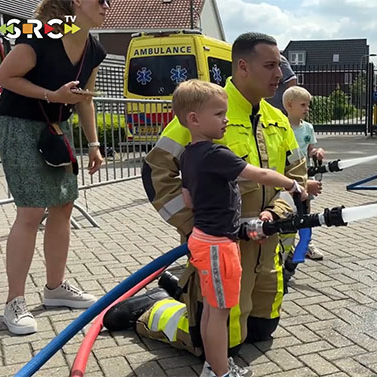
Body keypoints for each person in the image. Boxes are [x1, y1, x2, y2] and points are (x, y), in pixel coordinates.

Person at [138, 32, 307, 357]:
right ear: (243, 67)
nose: (279, 75)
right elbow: (156, 172)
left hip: (266, 252)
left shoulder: (278, 121)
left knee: (260, 332)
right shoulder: (207, 111)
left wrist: (275, 214)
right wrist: (193, 226)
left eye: (279, 66)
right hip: (223, 252)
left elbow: (296, 175)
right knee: (217, 344)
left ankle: (184, 301)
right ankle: (152, 313)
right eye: (270, 65)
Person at [176, 80, 306, 377]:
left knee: (211, 309)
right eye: (219, 114)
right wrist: (290, 183)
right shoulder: (215, 154)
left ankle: (215, 365)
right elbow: (257, 173)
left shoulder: (188, 155)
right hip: (219, 246)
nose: (226, 120)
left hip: (202, 240)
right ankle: (221, 372)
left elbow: (188, 198)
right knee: (218, 314)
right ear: (194, 119)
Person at [0, 0, 108, 335]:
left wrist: (94, 144)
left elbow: (85, 97)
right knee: (31, 211)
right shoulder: (42, 35)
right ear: (75, 2)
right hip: (19, 126)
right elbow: (5, 76)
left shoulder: (94, 49)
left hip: (57, 129)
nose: (107, 5)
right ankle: (14, 301)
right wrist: (50, 95)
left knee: (63, 205)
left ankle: (55, 288)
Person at [280, 85, 324, 264]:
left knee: (306, 211)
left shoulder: (308, 128)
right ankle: (286, 247)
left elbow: (310, 149)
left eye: (308, 105)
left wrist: (317, 152)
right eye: (303, 105)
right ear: (289, 105)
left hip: (303, 176)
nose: (307, 108)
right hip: (286, 178)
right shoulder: (281, 127)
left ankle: (307, 244)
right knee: (288, 212)